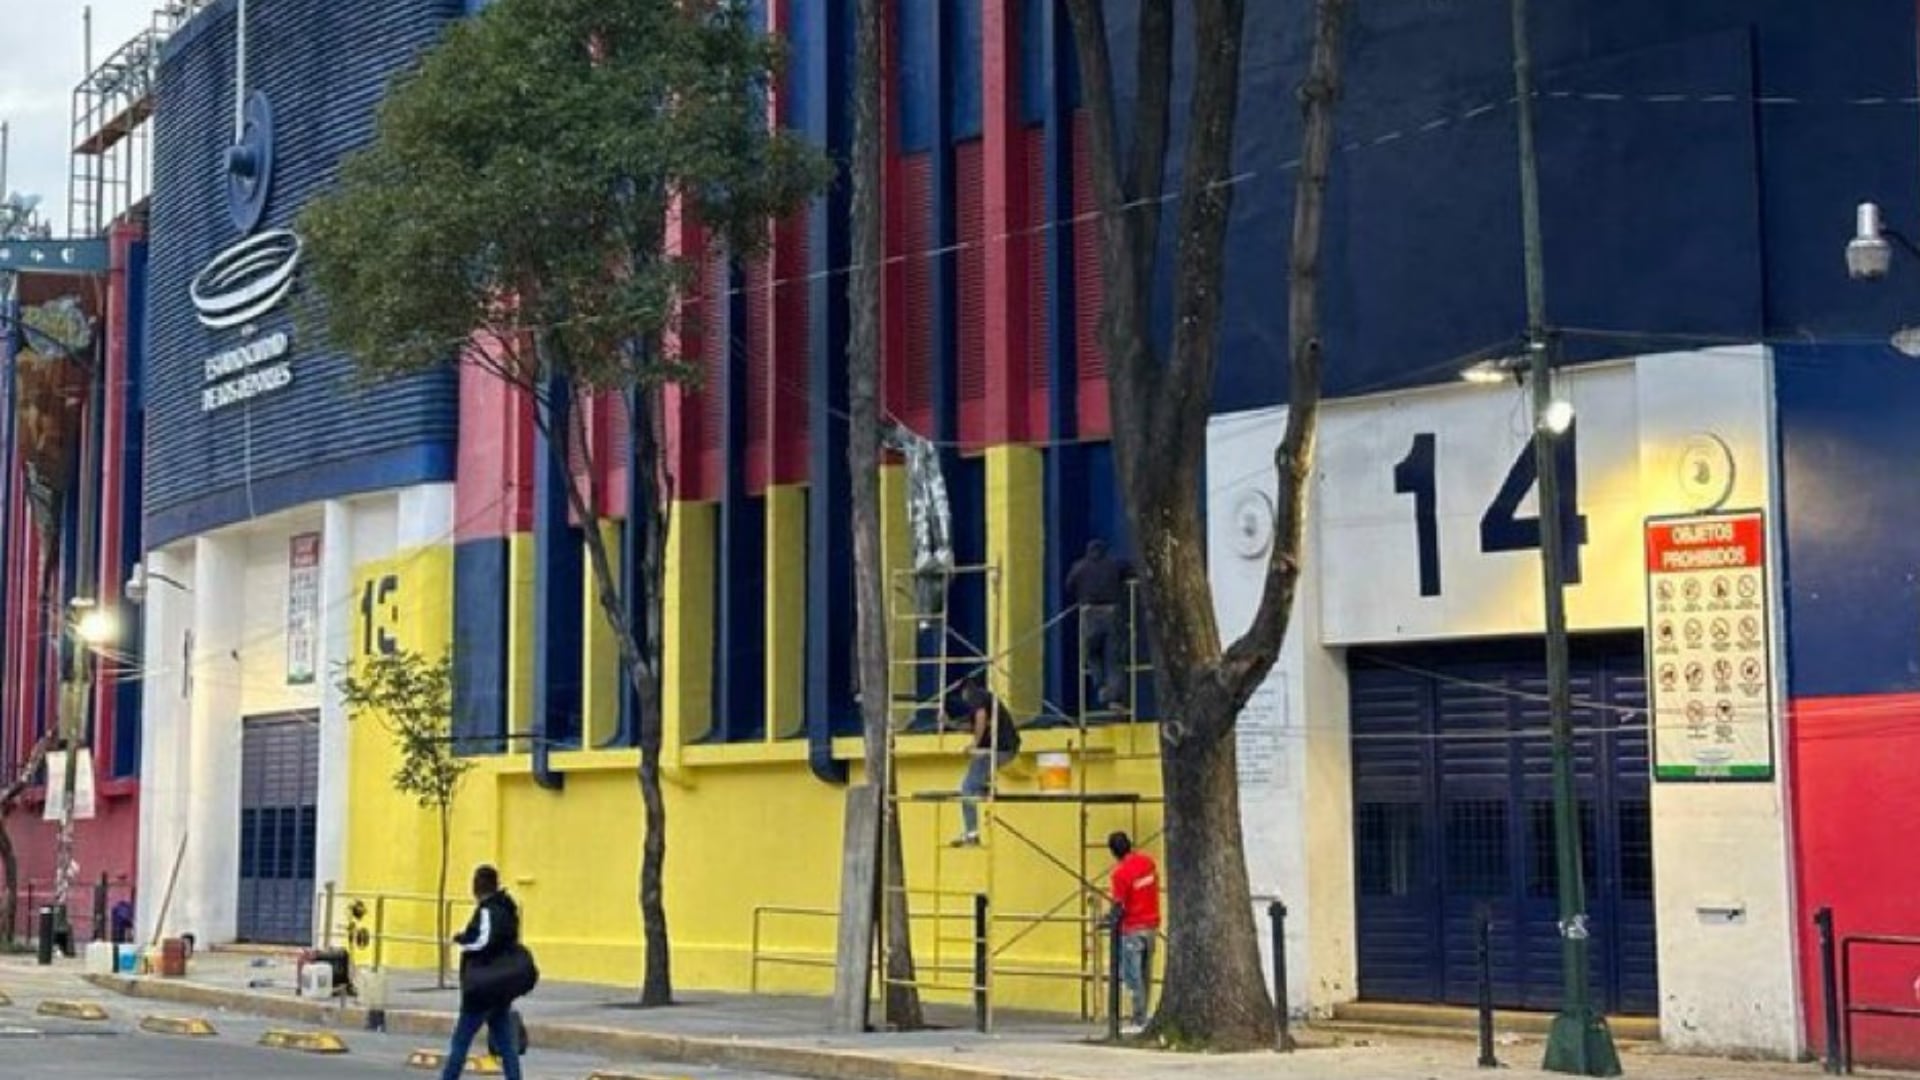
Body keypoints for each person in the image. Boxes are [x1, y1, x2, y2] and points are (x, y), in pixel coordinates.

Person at [441, 865, 529, 1080]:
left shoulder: (489, 911)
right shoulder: (508, 909)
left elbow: (483, 941)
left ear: (478, 887)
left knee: (460, 1042)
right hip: (500, 986)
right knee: (506, 1044)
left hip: (482, 987)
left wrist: (460, 940)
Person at [1066, 539, 1135, 710]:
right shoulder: (1113, 565)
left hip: (1088, 614)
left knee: (1092, 655)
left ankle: (1101, 686)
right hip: (1111, 613)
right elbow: (1131, 571)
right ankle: (1114, 697)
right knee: (1113, 657)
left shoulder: (1079, 567)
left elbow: (1069, 585)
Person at [952, 677, 1021, 846]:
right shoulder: (986, 699)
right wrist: (948, 723)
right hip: (1006, 748)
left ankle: (971, 833)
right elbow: (973, 725)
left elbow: (981, 717)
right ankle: (983, 787)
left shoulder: (976, 695)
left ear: (964, 691)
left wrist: (974, 744)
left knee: (967, 788)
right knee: (976, 781)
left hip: (998, 749)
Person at [1107, 832, 1160, 1032]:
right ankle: (1144, 1014)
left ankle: (1139, 1018)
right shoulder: (1148, 863)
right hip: (1152, 924)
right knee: (1146, 973)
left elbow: (1119, 905)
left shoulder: (1120, 874)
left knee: (1132, 975)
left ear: (1113, 852)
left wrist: (1110, 918)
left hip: (1132, 928)